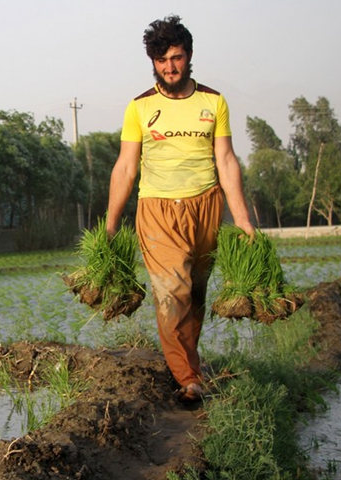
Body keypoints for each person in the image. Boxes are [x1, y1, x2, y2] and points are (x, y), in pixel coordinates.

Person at [104, 15, 255, 404]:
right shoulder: (139, 108)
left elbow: (226, 161)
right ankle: (188, 378)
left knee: (196, 294)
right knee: (173, 292)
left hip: (206, 206)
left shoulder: (213, 102)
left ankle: (189, 364)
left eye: (176, 58)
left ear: (188, 56)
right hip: (157, 209)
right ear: (152, 62)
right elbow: (125, 166)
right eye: (161, 60)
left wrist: (242, 221)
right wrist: (110, 223)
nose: (169, 67)